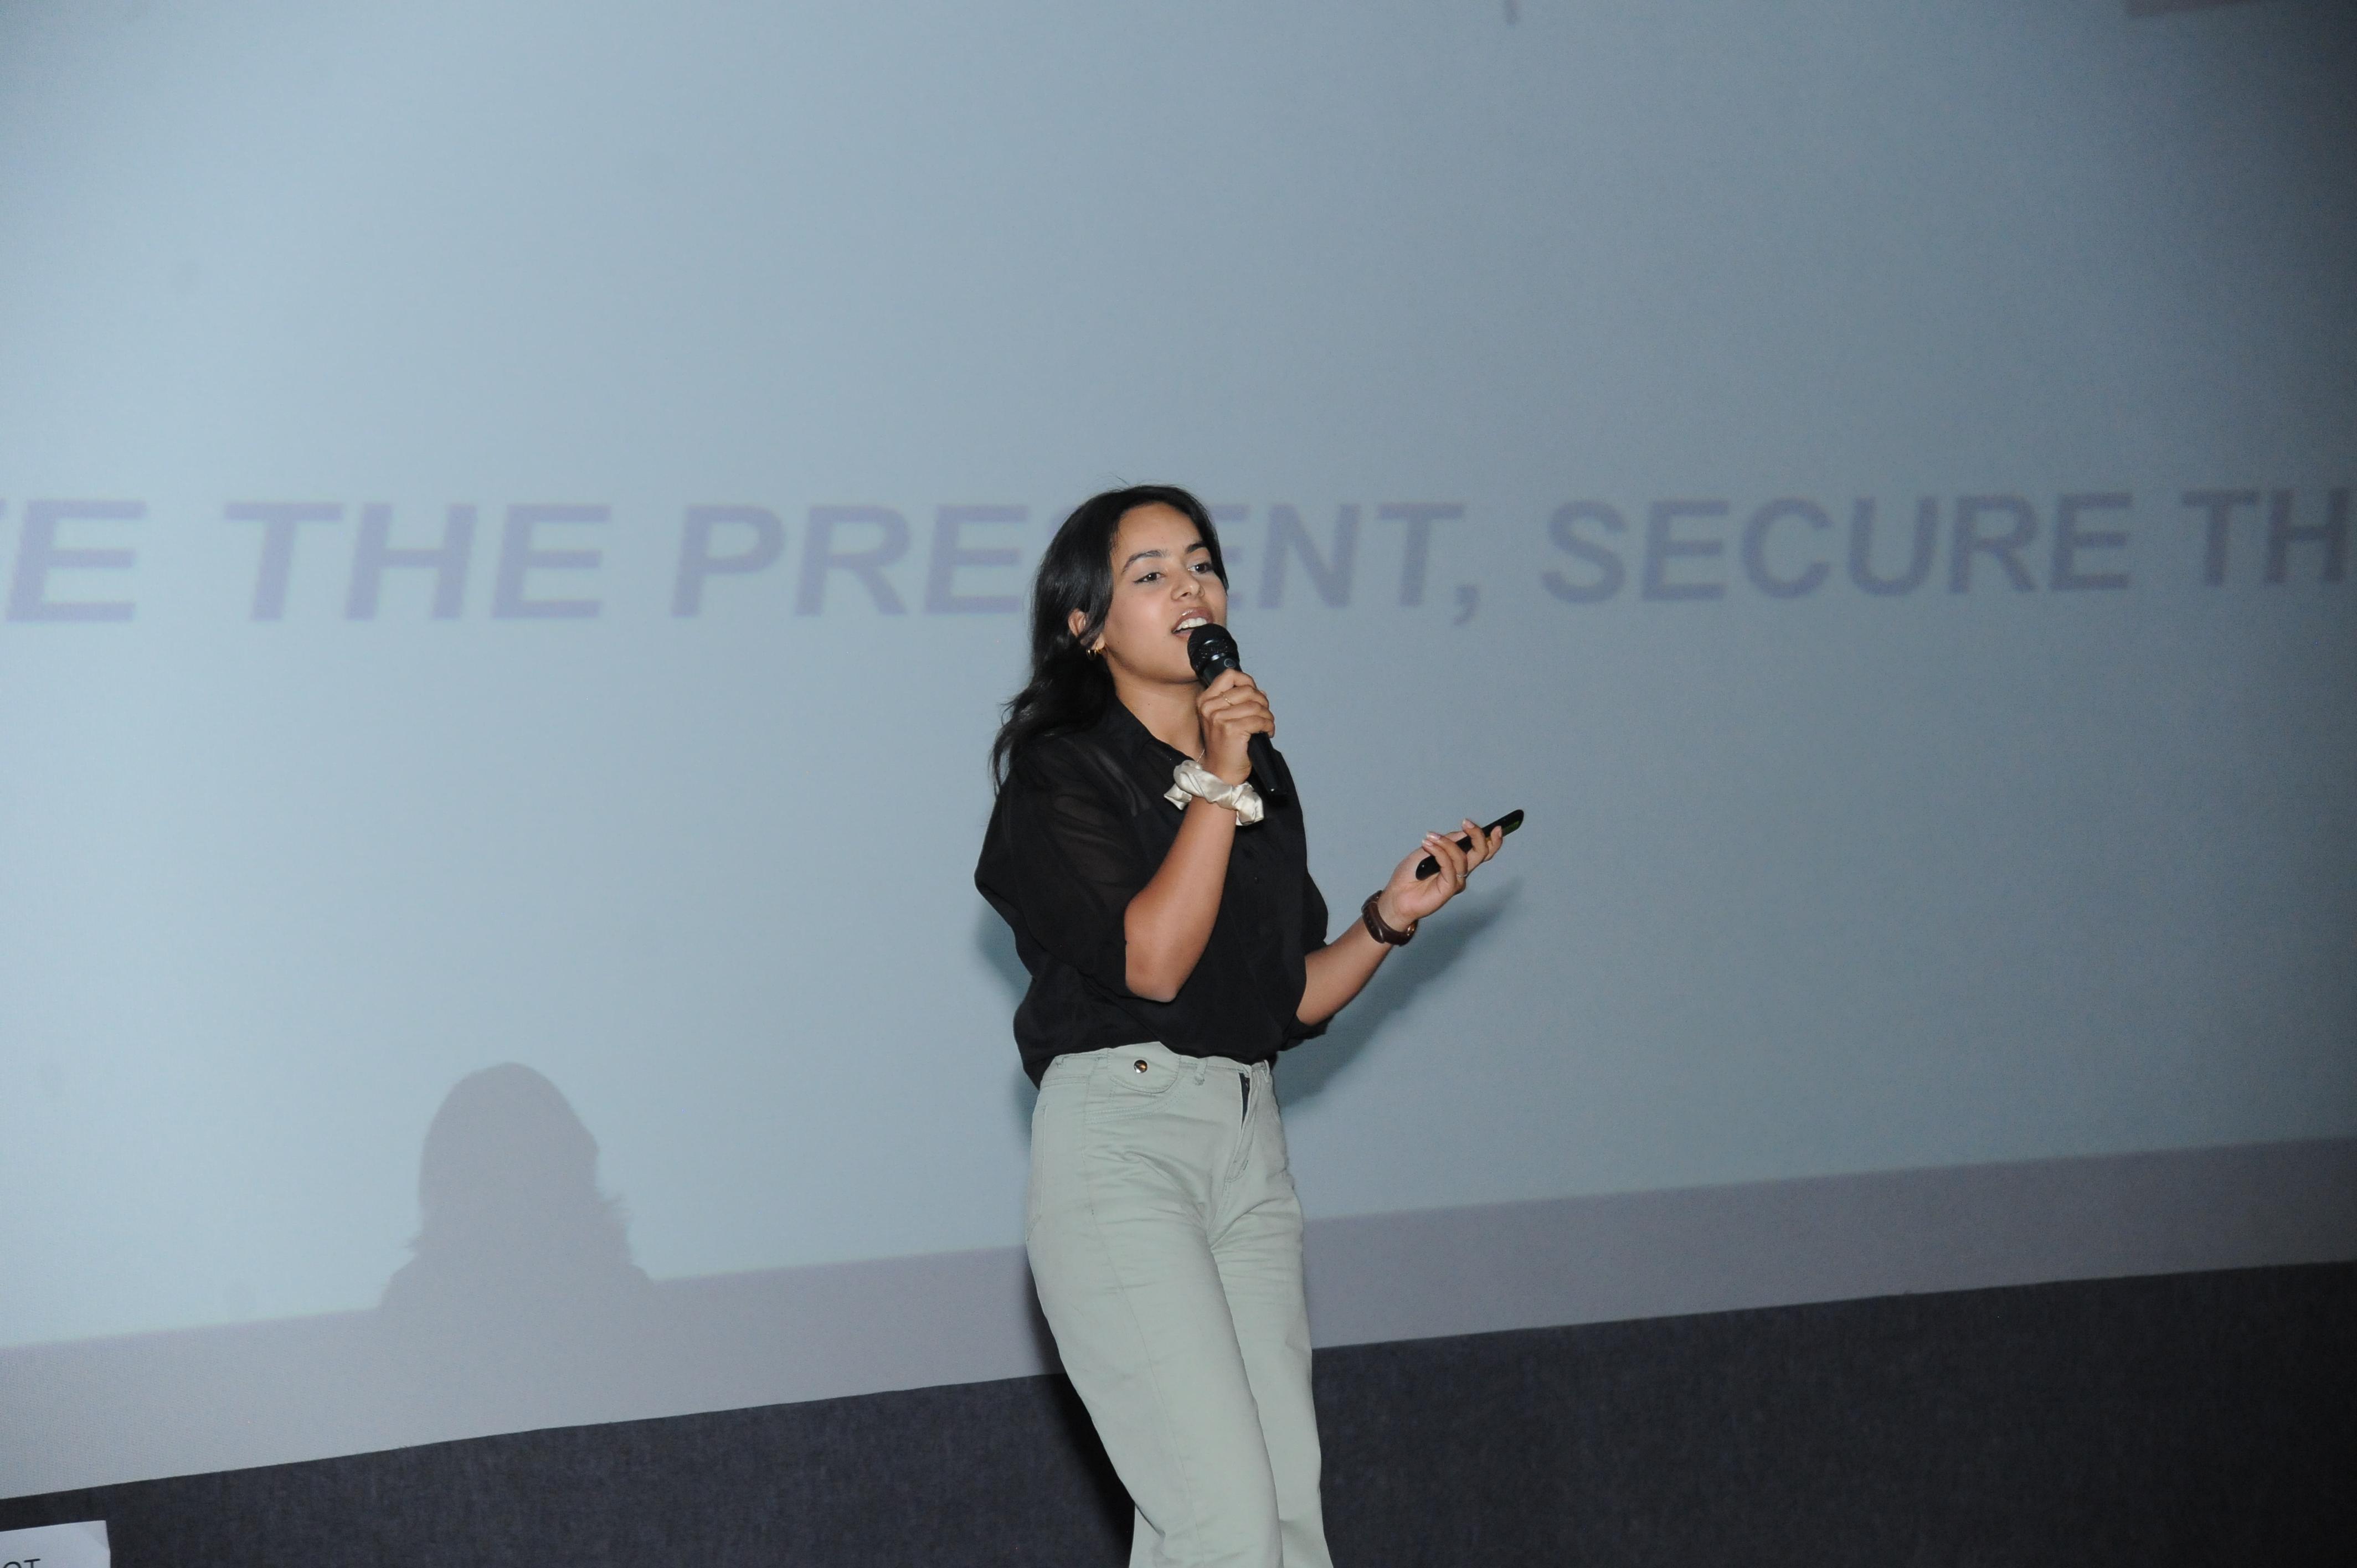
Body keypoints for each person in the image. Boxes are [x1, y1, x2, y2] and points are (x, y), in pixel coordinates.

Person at [975, 485, 1506, 1567]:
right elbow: (1154, 963)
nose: (1191, 589)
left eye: (1203, 565)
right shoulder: (1063, 772)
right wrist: (1217, 780)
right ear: (1086, 625)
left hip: (1248, 1146)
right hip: (1125, 1144)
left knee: (1283, 1522)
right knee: (1218, 1517)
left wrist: (1387, 919)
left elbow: (1288, 999)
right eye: (1151, 574)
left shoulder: (1261, 772)